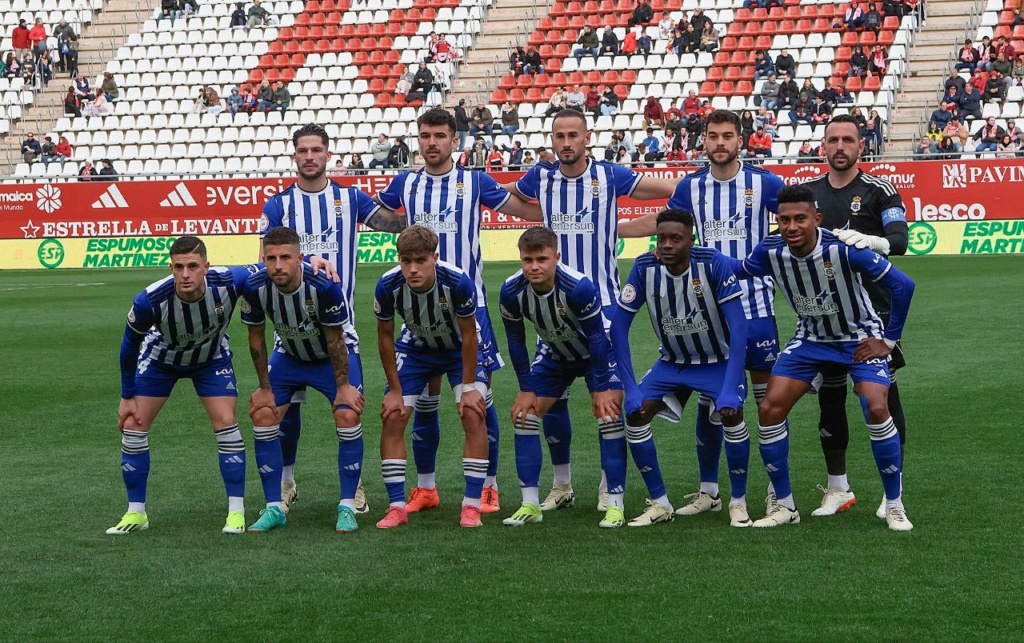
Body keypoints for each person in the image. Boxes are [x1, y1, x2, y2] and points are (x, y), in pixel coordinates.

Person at [503, 109, 677, 511]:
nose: (565, 142)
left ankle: (607, 486)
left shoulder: (610, 175)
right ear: (551, 140)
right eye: (558, 136)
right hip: (553, 311)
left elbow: (661, 189)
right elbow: (505, 195)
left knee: (608, 405)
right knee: (551, 403)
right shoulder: (540, 177)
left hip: (604, 312)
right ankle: (561, 485)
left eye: (572, 135)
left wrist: (686, 193)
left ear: (587, 138)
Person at [619, 110, 785, 520]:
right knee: (710, 397)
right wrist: (614, 228)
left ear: (741, 140)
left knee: (766, 407)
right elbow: (666, 226)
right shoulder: (691, 187)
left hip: (756, 304)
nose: (720, 142)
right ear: (704, 141)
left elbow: (792, 223)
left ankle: (771, 490)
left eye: (728, 135)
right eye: (713, 136)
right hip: (704, 307)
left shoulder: (765, 183)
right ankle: (710, 490)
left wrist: (765, 261)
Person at [374, 108, 541, 515]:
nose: (432, 142)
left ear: (454, 140)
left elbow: (522, 210)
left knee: (477, 400)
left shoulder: (475, 180)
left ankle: (488, 486)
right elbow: (376, 217)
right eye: (425, 135)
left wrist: (558, 198)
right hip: (418, 311)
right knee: (425, 402)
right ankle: (426, 488)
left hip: (469, 309)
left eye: (439, 135)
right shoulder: (405, 184)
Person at [730, 184, 915, 531]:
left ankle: (894, 504)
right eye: (784, 220)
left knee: (876, 405)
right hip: (811, 339)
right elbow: (738, 270)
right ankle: (785, 505)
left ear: (817, 219)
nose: (792, 227)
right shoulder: (770, 250)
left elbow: (903, 285)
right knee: (769, 407)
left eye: (800, 218)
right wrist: (695, 257)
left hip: (859, 337)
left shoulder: (843, 249)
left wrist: (888, 341)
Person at [260, 124, 408, 516]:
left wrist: (415, 197)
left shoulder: (349, 197)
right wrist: (308, 261)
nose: (310, 156)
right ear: (295, 156)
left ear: (328, 154)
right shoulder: (278, 205)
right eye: (303, 150)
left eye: (316, 149)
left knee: (349, 411)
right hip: (288, 336)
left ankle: (353, 486)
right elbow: (265, 254)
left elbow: (391, 224)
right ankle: (287, 482)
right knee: (280, 414)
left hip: (337, 333)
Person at [107, 237, 256, 535]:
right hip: (162, 361)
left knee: (227, 423)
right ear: (171, 268)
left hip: (210, 359)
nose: (185, 273)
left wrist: (313, 262)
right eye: (178, 267)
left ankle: (236, 513)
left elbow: (270, 269)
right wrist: (127, 396)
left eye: (192, 266)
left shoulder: (230, 280)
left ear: (206, 267)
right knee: (134, 426)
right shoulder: (150, 299)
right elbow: (128, 347)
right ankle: (136, 513)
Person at [609, 209, 749, 526]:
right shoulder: (644, 267)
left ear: (690, 239)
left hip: (718, 361)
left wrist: (729, 388)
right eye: (662, 238)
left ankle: (736, 501)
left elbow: (739, 327)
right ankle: (660, 503)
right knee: (635, 414)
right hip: (672, 363)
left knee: (731, 414)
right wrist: (630, 389)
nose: (667, 245)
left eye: (676, 238)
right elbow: (618, 329)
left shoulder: (713, 262)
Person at [802, 114, 911, 520]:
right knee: (829, 400)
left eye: (848, 140)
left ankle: (892, 493)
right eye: (833, 140)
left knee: (881, 400)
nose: (840, 147)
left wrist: (872, 241)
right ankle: (837, 488)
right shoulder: (809, 194)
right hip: (827, 317)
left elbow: (899, 241)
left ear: (861, 147)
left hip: (874, 316)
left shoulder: (879, 190)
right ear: (824, 146)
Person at [499, 227, 626, 528]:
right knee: (525, 416)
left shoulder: (578, 287)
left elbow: (596, 338)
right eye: (527, 259)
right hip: (555, 353)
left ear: (556, 256)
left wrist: (600, 386)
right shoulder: (511, 291)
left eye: (542, 259)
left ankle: (614, 499)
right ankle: (540, 499)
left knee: (609, 416)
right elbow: (516, 341)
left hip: (600, 353)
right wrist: (526, 388)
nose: (534, 266)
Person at [241, 226, 364, 533]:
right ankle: (274, 507)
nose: (278, 265)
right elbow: (256, 341)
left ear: (301, 259)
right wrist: (264, 388)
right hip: (290, 353)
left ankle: (348, 504)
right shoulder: (255, 286)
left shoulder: (323, 285)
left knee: (347, 414)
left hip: (331, 356)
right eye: (271, 258)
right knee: (263, 414)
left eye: (285, 257)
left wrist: (343, 387)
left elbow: (336, 342)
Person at [371, 226, 491, 529]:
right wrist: (394, 390)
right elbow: (384, 338)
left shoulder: (457, 283)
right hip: (416, 349)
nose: (412, 269)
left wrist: (466, 388)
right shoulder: (388, 285)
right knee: (393, 415)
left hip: (457, 350)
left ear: (434, 258)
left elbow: (468, 337)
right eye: (405, 260)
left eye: (420, 260)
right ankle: (397, 506)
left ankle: (472, 505)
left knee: (474, 413)